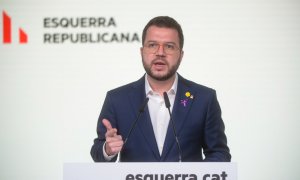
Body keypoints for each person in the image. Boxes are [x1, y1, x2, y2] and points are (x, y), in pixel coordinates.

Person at [91, 16, 231, 162]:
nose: (160, 52)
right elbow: (97, 152)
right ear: (142, 51)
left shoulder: (204, 98)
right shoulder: (117, 99)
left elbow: (219, 153)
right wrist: (107, 149)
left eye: (169, 46)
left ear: (181, 55)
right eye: (152, 45)